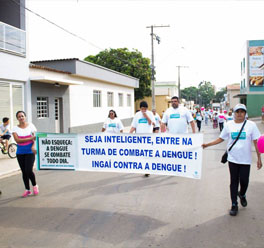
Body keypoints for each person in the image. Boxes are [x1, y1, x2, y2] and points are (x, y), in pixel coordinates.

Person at [202, 104, 262, 216]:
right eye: (237, 111)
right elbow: (221, 138)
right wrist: (207, 144)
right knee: (234, 181)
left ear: (245, 113)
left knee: (244, 181)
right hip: (232, 159)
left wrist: (259, 158)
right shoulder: (229, 125)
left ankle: (242, 194)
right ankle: (234, 204)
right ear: (234, 113)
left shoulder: (251, 125)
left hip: (245, 160)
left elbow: (256, 141)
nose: (239, 113)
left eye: (242, 111)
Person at [12, 111, 39, 197]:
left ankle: (35, 185)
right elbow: (17, 140)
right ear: (17, 118)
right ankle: (27, 189)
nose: (21, 118)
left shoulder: (31, 126)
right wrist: (30, 138)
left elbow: (36, 138)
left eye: (22, 116)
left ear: (25, 117)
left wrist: (34, 146)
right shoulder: (15, 128)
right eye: (19, 116)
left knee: (28, 170)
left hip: (30, 151)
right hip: (20, 152)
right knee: (24, 172)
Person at [130, 101, 155, 177]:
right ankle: (143, 167)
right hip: (139, 138)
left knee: (147, 154)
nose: (143, 110)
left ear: (147, 108)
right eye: (142, 109)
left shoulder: (150, 113)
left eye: (145, 108)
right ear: (140, 108)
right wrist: (129, 134)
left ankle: (147, 169)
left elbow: (152, 123)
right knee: (141, 153)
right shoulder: (137, 115)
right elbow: (134, 126)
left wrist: (146, 116)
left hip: (148, 138)